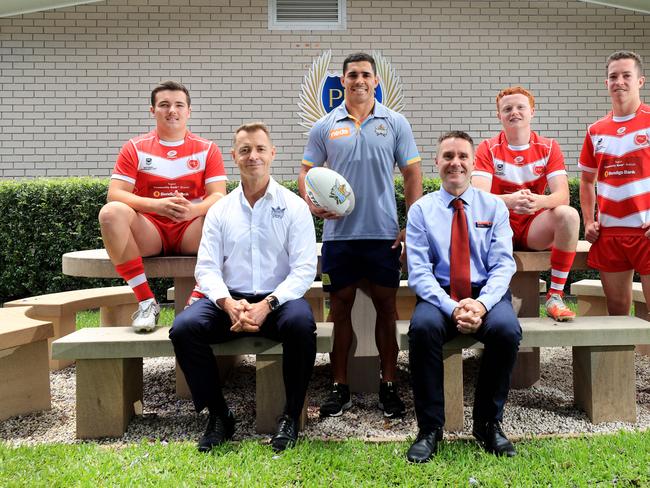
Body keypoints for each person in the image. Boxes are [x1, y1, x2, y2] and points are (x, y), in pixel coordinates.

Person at [170, 122, 318, 453]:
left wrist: (268, 304)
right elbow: (206, 267)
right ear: (234, 156)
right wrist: (227, 303)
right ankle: (220, 416)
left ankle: (291, 416)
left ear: (272, 154)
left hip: (278, 301)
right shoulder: (220, 209)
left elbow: (304, 269)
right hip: (229, 300)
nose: (253, 156)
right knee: (183, 328)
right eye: (246, 150)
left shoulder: (294, 207)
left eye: (260, 149)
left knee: (301, 324)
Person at [299, 52, 423, 419]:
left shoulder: (395, 122)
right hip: (340, 237)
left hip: (383, 234)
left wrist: (410, 223)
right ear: (342, 81)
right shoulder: (325, 125)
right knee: (340, 312)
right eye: (352, 75)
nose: (359, 80)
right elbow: (306, 172)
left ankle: (388, 385)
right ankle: (340, 387)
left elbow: (412, 175)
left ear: (376, 80)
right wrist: (311, 204)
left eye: (366, 74)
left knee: (387, 310)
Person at [406, 131, 521, 463]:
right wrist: (453, 306)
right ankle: (430, 429)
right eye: (447, 156)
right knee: (423, 329)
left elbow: (503, 265)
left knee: (506, 330)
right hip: (439, 296)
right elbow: (419, 272)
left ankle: (488, 424)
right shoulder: (421, 211)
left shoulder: (494, 207)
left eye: (462, 156)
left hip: (485, 294)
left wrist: (481, 304)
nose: (455, 163)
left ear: (473, 163)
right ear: (437, 163)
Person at [98, 81, 227, 332]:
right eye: (164, 105)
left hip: (191, 229)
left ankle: (199, 296)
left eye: (179, 105)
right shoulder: (134, 147)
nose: (172, 111)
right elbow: (114, 194)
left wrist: (193, 210)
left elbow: (218, 196)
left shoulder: (207, 149)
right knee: (110, 213)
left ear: (188, 111)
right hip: (150, 231)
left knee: (227, 213)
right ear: (152, 110)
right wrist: (156, 206)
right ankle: (146, 302)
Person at [471, 86, 579, 322]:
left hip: (533, 225)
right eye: (507, 108)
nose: (514, 112)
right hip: (500, 227)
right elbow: (477, 198)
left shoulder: (549, 146)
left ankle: (555, 295)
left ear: (532, 111)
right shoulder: (487, 148)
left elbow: (562, 196)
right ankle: (480, 296)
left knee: (568, 215)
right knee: (470, 219)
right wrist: (509, 201)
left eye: (520, 107)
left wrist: (540, 201)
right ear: (499, 115)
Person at [579, 51, 650, 315]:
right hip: (609, 234)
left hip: (646, 232)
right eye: (613, 76)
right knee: (617, 312)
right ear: (606, 83)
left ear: (640, 81)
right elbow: (586, 181)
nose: (619, 81)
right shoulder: (595, 130)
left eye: (626, 75)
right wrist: (588, 221)